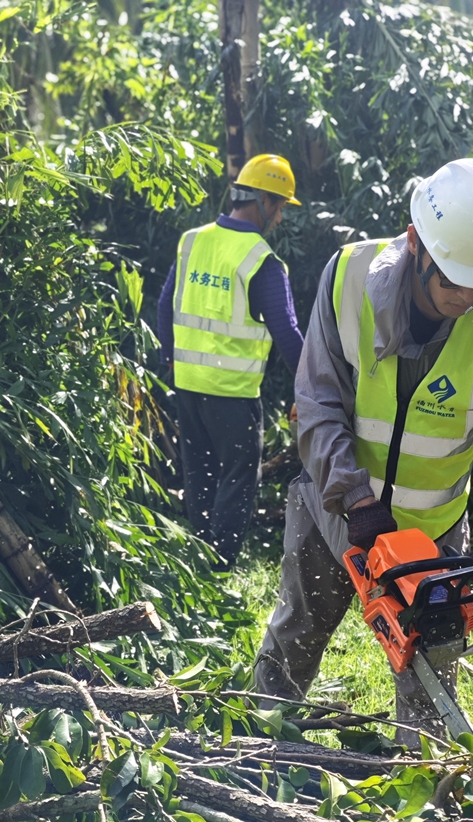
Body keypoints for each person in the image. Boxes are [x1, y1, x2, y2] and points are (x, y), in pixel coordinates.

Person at [254, 157, 473, 746]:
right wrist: (356, 501)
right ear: (417, 243)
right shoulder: (348, 279)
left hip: (437, 541)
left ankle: (417, 800)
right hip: (336, 515)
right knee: (294, 640)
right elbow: (318, 403)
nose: (467, 296)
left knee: (429, 693)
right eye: (453, 279)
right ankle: (252, 753)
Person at [157, 153, 304, 567]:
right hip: (234, 395)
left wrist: (171, 358)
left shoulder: (193, 240)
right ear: (265, 202)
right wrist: (316, 388)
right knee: (238, 482)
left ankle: (197, 558)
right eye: (279, 208)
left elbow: (165, 305)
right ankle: (219, 567)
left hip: (187, 385)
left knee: (200, 476)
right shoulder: (262, 261)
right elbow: (289, 336)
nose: (278, 219)